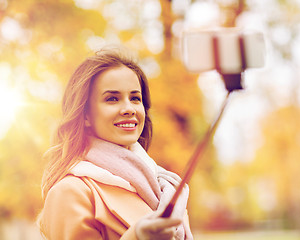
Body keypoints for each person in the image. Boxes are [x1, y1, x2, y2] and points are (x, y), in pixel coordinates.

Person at [38, 47, 193, 240]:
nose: (129, 108)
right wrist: (136, 237)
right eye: (112, 99)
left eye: (135, 98)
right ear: (85, 115)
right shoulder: (70, 192)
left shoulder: (165, 187)